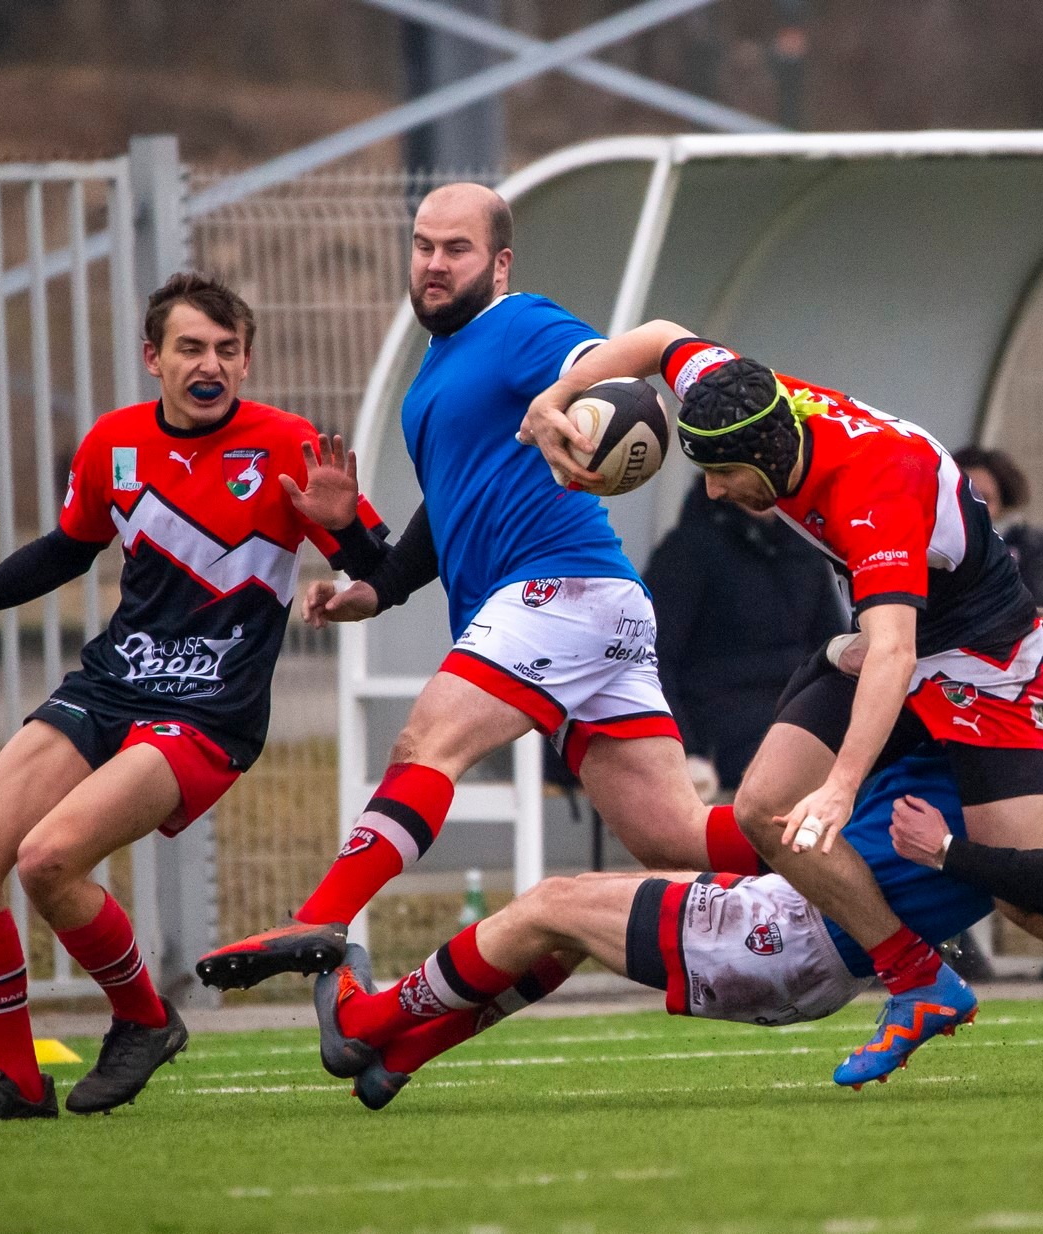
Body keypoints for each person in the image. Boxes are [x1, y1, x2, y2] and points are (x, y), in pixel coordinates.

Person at [309, 610, 1043, 1109]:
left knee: (549, 903)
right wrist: (844, 654)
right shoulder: (993, 742)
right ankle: (401, 1055)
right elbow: (809, 719)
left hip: (786, 937)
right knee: (573, 923)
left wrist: (947, 849)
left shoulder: (1028, 758)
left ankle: (368, 1022)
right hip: (792, 916)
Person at [197, 184, 750, 994]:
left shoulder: (519, 325)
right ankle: (860, 860)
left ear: (499, 264)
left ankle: (322, 916)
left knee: (427, 745)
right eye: (423, 245)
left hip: (559, 586)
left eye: (455, 249)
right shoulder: (436, 368)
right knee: (676, 839)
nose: (433, 263)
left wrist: (576, 402)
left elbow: (612, 368)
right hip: (597, 606)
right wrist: (376, 583)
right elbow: (451, 506)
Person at [0, 272, 389, 1121]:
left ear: (246, 362)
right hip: (112, 683)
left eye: (226, 350)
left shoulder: (289, 446)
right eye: (190, 348)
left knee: (47, 861)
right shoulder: (113, 444)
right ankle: (19, 1083)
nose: (209, 364)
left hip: (208, 711)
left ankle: (144, 1020)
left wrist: (348, 531)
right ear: (153, 357)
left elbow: (381, 573)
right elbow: (67, 548)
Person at [523, 329, 1043, 1086]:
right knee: (763, 807)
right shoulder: (738, 394)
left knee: (1034, 894)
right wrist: (553, 400)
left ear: (768, 455)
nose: (712, 493)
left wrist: (841, 785)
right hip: (897, 636)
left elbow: (894, 653)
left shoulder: (872, 487)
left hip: (981, 654)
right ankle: (917, 979)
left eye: (721, 474)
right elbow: (661, 338)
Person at [645, 475, 846, 792]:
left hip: (797, 725)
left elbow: (833, 651)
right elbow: (653, 659)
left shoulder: (805, 549)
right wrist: (686, 751)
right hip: (718, 748)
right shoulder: (688, 550)